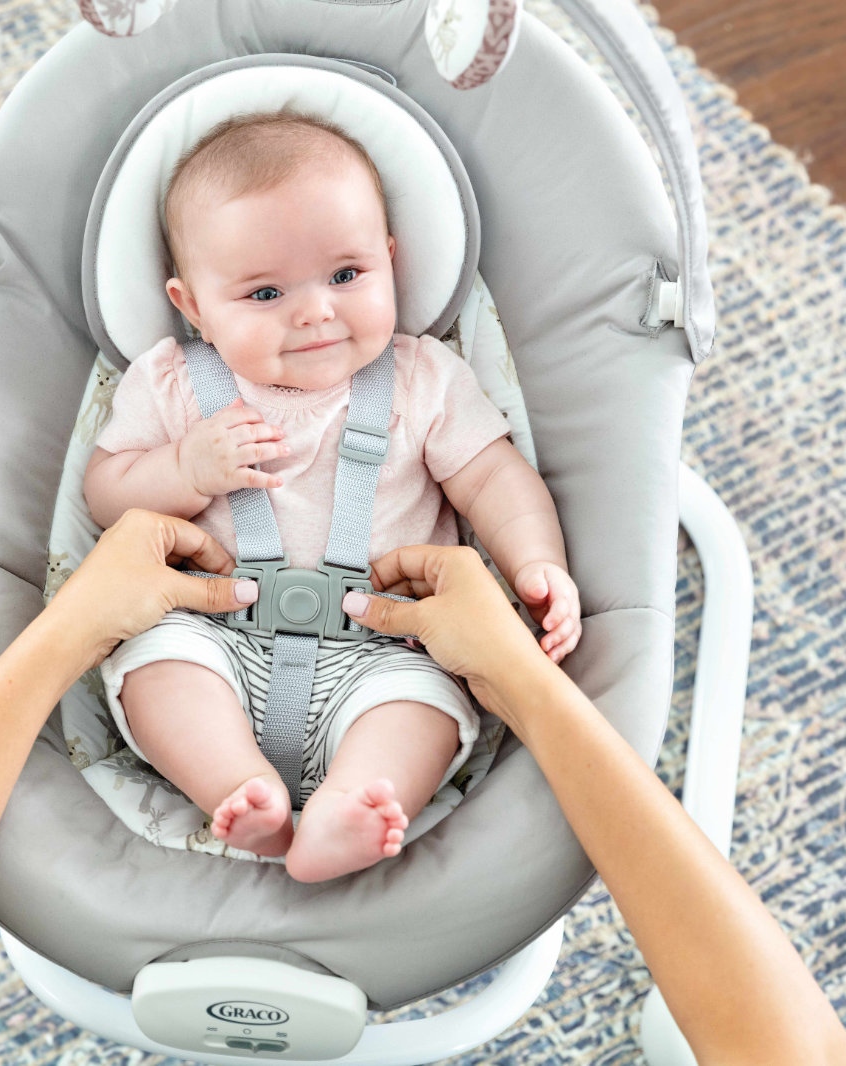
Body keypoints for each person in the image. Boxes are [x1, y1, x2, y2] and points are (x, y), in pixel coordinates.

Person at [0, 508, 846, 1065]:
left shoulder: (417, 391)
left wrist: (70, 628)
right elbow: (786, 1047)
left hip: (338, 662)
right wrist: (520, 682)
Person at [82, 109, 581, 882]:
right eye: (264, 292)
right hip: (215, 637)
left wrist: (535, 563)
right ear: (193, 307)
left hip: (384, 653)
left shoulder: (423, 380)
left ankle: (352, 808)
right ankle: (237, 788)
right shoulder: (176, 383)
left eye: (347, 276)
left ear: (391, 261)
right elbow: (105, 497)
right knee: (158, 665)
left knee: (423, 708)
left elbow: (492, 478)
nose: (316, 311)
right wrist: (185, 469)